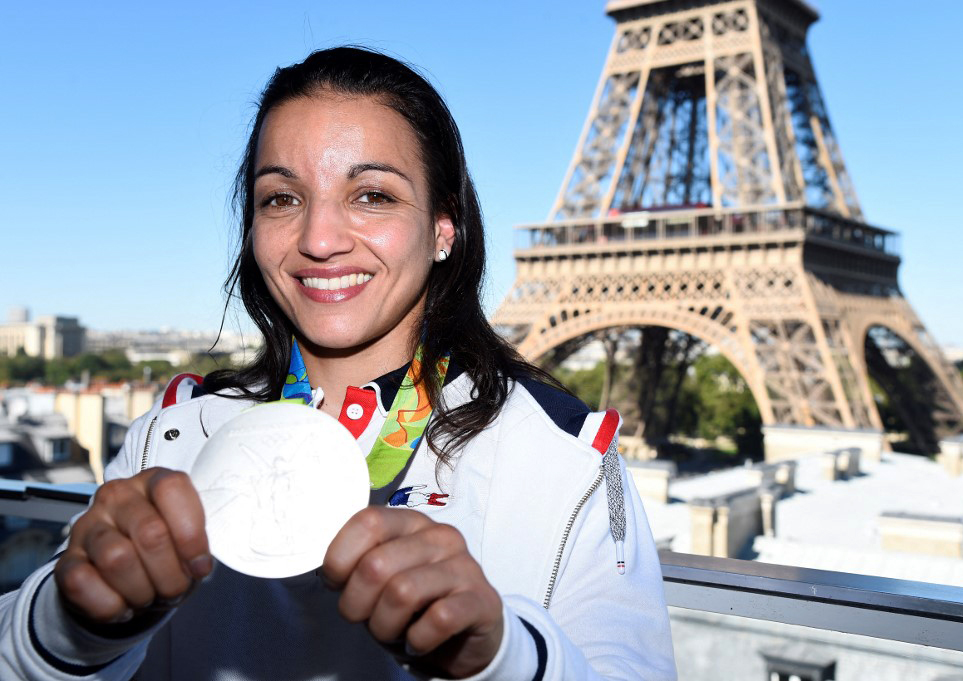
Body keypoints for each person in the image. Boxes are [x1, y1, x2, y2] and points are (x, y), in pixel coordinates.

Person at [0, 47, 676, 680]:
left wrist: (500, 651)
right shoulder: (172, 435)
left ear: (444, 228)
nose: (319, 238)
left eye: (372, 194)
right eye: (282, 198)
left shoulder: (565, 459)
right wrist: (74, 623)